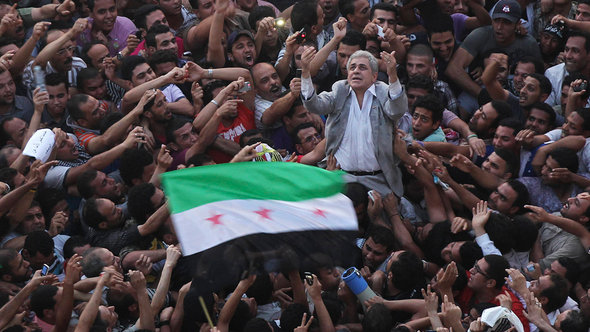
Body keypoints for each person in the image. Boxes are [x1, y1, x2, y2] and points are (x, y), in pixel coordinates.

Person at [301, 47, 406, 196]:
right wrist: (305, 71)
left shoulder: (383, 91)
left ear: (374, 76)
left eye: (362, 68)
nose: (356, 71)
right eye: (352, 67)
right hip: (342, 177)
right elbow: (313, 104)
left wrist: (393, 76)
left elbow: (397, 111)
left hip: (378, 180)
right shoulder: (339, 91)